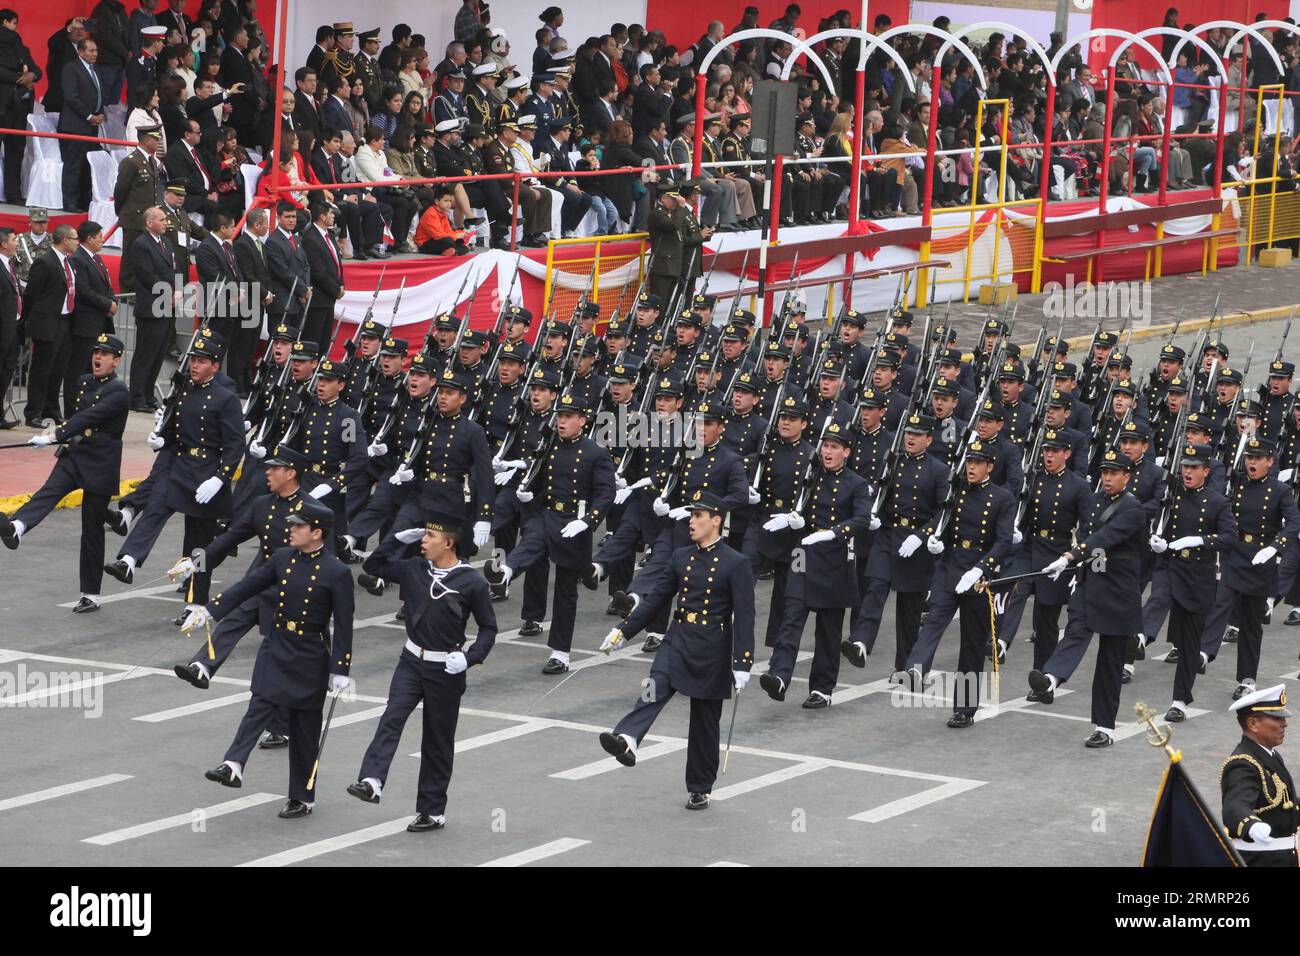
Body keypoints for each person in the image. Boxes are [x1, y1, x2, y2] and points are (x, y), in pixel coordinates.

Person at [188, 496, 354, 820]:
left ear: (317, 533)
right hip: (278, 643)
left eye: (298, 526)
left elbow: (345, 624)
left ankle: (302, 797)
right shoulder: (282, 558)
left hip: (309, 653)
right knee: (260, 702)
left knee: (305, 729)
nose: (290, 530)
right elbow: (247, 587)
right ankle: (233, 763)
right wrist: (210, 609)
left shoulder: (337, 572)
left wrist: (340, 668)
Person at [597, 491, 755, 811]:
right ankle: (628, 738)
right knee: (654, 686)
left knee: (704, 723)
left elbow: (745, 616)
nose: (691, 521)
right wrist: (623, 631)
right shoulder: (681, 556)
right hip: (678, 637)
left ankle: (700, 786)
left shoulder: (736, 563)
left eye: (698, 516)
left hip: (712, 646)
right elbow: (656, 598)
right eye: (691, 515)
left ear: (717, 521)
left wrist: (743, 662)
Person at [347, 511, 497, 831]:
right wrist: (394, 539)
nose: (424, 541)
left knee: (437, 740)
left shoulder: (471, 581)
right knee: (392, 717)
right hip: (411, 661)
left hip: (446, 668)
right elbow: (373, 567)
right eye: (424, 535)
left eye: (430, 537)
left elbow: (488, 628)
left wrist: (470, 659)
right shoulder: (415, 568)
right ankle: (372, 780)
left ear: (449, 542)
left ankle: (432, 810)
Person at [104, 330, 243, 621]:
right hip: (179, 468)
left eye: (203, 361)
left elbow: (234, 445)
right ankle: (128, 561)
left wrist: (220, 478)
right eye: (193, 358)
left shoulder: (226, 399)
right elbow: (173, 433)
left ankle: (195, 602)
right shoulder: (183, 390)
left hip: (206, 475)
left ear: (215, 366)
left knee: (199, 544)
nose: (194, 364)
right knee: (154, 509)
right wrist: (160, 439)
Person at [484, 393, 614, 672]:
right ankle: (505, 572)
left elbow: (605, 493)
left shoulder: (596, 453)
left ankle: (560, 654)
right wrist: (528, 492)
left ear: (583, 420)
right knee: (531, 541)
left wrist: (589, 522)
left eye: (568, 417)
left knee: (566, 592)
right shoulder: (550, 446)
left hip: (574, 522)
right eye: (560, 416)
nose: (562, 422)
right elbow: (541, 479)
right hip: (548, 514)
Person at [0, 333, 128, 611]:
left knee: (92, 529)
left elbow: (90, 417)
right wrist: (53, 434)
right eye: (96, 351)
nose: (98, 357)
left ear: (117, 361)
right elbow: (76, 417)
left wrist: (54, 435)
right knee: (50, 491)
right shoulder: (83, 382)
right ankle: (17, 528)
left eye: (105, 354)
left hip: (101, 461)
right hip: (77, 453)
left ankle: (90, 594)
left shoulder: (119, 392)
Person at [1149, 442, 1238, 722]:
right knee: (1157, 600)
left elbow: (1229, 537)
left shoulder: (1217, 502)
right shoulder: (1170, 497)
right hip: (1170, 568)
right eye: (1185, 467)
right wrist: (1156, 540)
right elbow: (1154, 521)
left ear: (1205, 471)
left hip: (1197, 578)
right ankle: (1139, 639)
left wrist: (1200, 540)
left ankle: (1180, 700)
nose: (1188, 472)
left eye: (1194, 468)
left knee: (1188, 643)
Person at [1220, 683, 1299, 866]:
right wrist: (1251, 826)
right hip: (1260, 861)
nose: (1284, 723)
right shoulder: (1242, 763)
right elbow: (1234, 806)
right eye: (1277, 718)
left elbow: (1284, 803)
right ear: (1253, 723)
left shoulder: (1268, 754)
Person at [20, 224, 79, 428]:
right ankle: (33, 412)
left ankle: (51, 410)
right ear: (64, 240)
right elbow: (32, 294)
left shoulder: (68, 262)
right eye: (75, 238)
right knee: (41, 370)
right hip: (47, 323)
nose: (77, 242)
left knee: (58, 370)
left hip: (65, 321)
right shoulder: (45, 262)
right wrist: (34, 320)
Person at [57, 36, 105, 213]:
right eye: (91, 51)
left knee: (87, 165)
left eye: (96, 50)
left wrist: (100, 113)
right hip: (75, 126)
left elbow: (98, 93)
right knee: (74, 165)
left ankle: (84, 201)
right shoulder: (71, 68)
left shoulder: (95, 69)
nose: (95, 54)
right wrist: (89, 115)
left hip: (91, 127)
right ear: (81, 51)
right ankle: (70, 203)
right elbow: (72, 97)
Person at [0, 10, 41, 207]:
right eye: (13, 23)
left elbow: (38, 70)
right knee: (14, 152)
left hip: (19, 107)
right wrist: (23, 79)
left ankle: (13, 195)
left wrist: (30, 76)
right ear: (4, 22)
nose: (15, 28)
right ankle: (13, 195)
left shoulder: (22, 48)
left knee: (16, 152)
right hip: (4, 106)